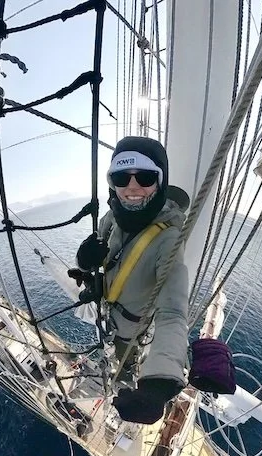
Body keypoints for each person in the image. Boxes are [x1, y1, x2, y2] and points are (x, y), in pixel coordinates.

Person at [73, 136, 189, 425]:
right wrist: (85, 264)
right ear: (112, 183)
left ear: (161, 182)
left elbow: (173, 313)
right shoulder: (111, 219)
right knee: (111, 342)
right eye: (122, 177)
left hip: (132, 327)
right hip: (108, 310)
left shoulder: (169, 240)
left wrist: (159, 385)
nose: (132, 187)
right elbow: (105, 258)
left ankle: (126, 371)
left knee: (126, 354)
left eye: (146, 177)